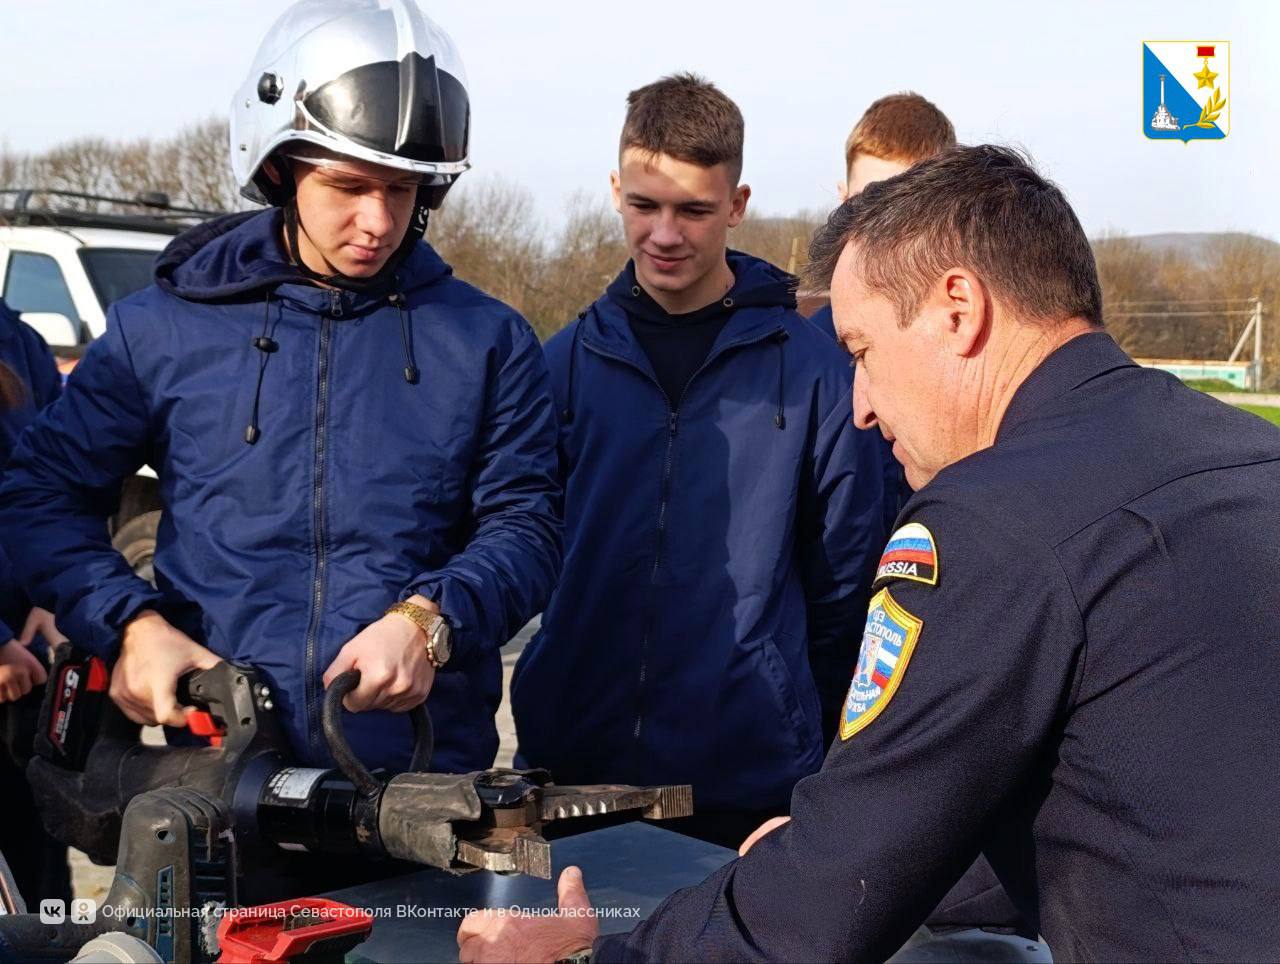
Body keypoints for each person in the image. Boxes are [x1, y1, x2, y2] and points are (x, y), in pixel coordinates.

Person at [457, 146, 1280, 962]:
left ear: (959, 309)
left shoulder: (993, 518)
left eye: (860, 351)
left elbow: (809, 926)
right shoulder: (1248, 460)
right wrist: (852, 843)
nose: (859, 406)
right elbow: (1136, 821)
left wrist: (591, 959)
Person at [0, 0, 561, 780]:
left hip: (416, 788)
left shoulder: (489, 342)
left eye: (404, 190)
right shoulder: (158, 332)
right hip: (215, 785)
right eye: (348, 185)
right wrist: (128, 624)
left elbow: (527, 526)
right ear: (279, 163)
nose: (378, 221)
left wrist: (431, 619)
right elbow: (39, 496)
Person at [510, 74, 889, 849]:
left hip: (748, 782)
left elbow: (846, 582)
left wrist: (798, 725)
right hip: (573, 771)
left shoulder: (815, 375)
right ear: (616, 191)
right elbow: (513, 546)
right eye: (645, 206)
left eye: (694, 210)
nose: (665, 234)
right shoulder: (560, 369)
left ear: (738, 204)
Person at [0, 297, 70, 909]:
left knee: (39, 880)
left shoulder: (17, 335)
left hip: (29, 657)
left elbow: (50, 480)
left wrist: (56, 592)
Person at [806, 91, 956, 342]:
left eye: (906, 207)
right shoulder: (812, 350)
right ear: (843, 200)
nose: (883, 228)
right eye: (865, 203)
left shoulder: (969, 339)